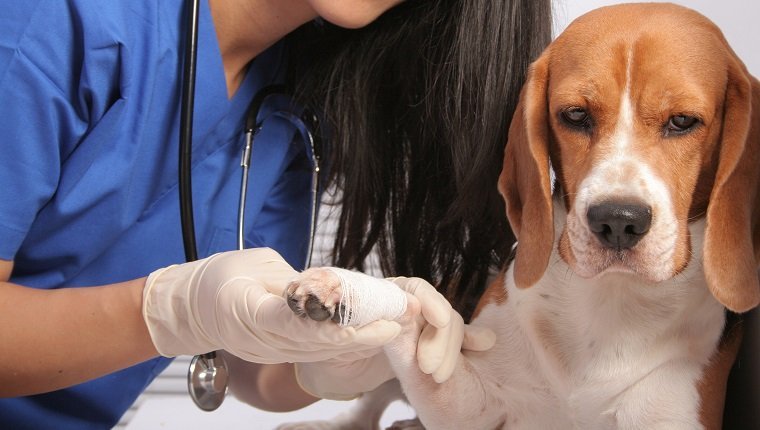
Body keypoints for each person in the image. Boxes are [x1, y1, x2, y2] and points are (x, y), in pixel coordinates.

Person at [0, 0, 552, 428]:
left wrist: (360, 348)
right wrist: (175, 311)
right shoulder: (56, 21)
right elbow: (203, 315)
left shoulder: (297, 102)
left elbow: (250, 364)